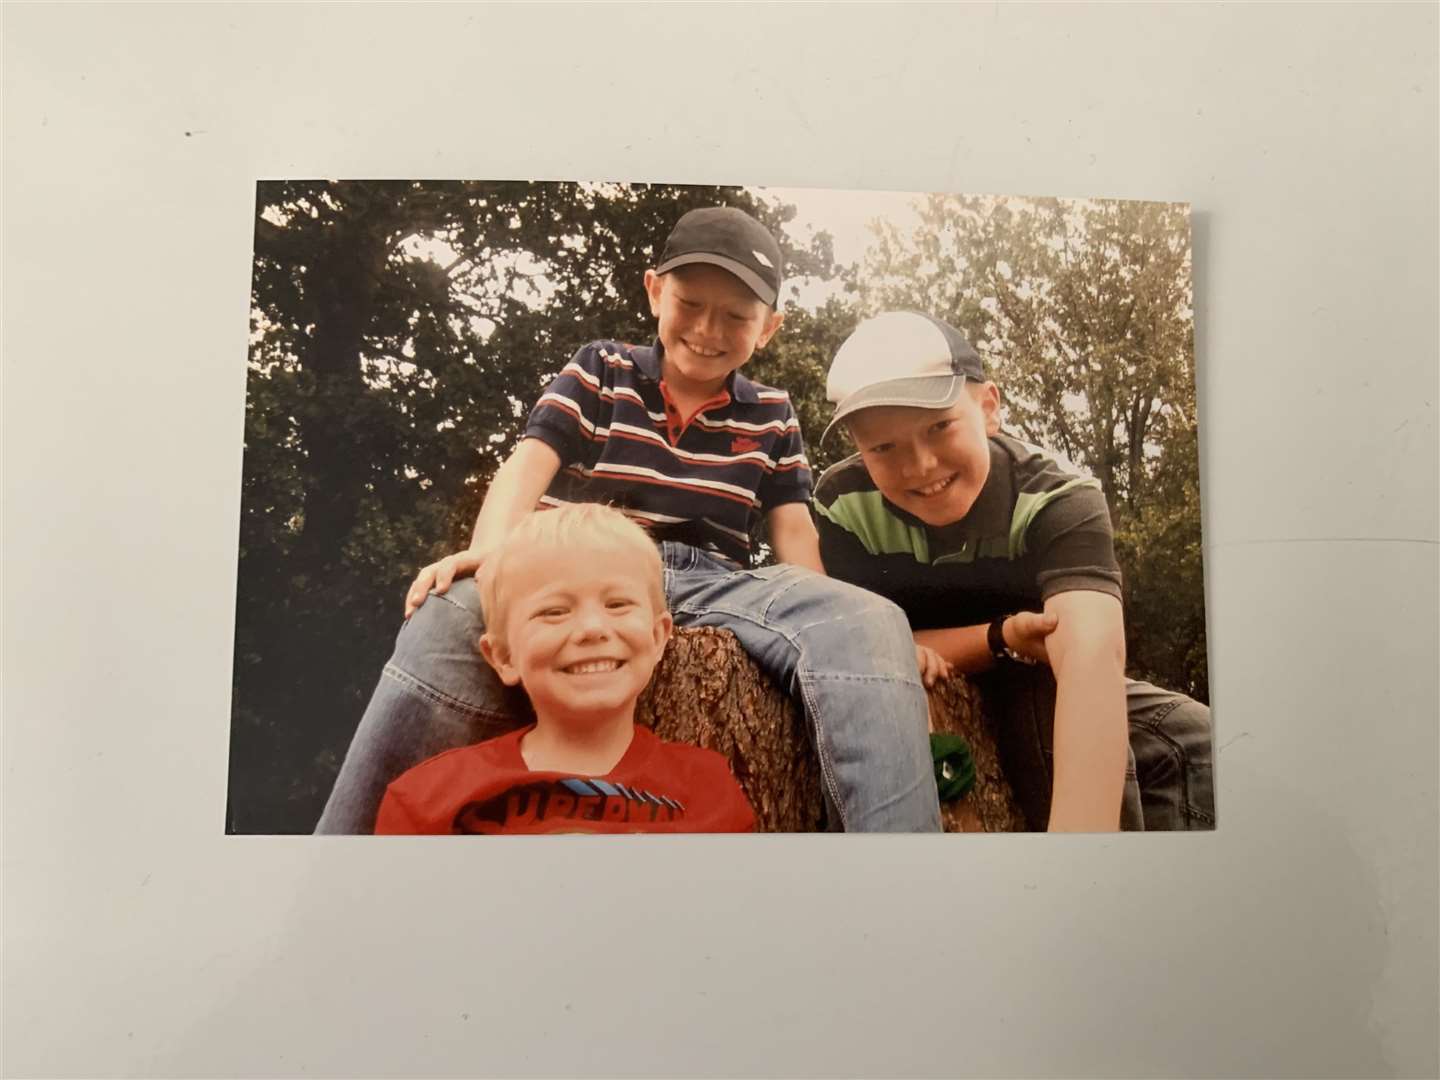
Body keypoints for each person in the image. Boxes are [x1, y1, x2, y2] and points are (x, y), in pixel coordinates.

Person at [318, 206, 940, 834]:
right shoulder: (602, 369)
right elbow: (529, 463)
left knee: (869, 618)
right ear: (653, 291)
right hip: (587, 558)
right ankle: (344, 861)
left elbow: (793, 535)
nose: (707, 329)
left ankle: (893, 875)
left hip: (711, 578)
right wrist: (492, 553)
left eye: (736, 317)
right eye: (690, 303)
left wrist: (834, 609)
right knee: (454, 607)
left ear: (769, 329)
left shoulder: (774, 413)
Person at [812, 311, 1215, 832]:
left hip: (1040, 662)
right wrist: (999, 637)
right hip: (965, 673)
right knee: (1041, 710)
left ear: (988, 408)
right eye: (882, 447)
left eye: (939, 427)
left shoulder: (1061, 496)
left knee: (1200, 740)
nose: (920, 466)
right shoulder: (840, 504)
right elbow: (867, 649)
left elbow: (1091, 654)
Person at [374, 504, 755, 834]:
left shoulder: (707, 791)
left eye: (618, 604)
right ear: (504, 657)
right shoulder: (427, 799)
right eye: (554, 612)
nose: (592, 628)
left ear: (658, 637)